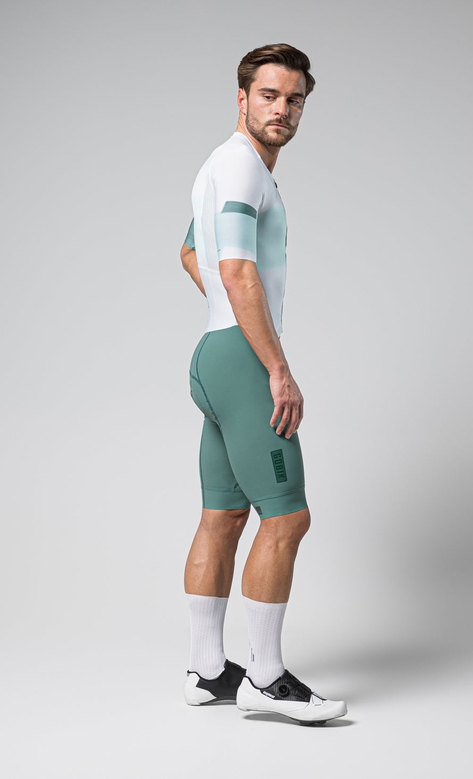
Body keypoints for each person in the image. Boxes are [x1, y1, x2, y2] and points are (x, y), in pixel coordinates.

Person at [179, 43, 347, 726]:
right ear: (242, 98)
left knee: (222, 516)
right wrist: (276, 368)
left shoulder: (221, 166)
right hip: (242, 360)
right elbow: (236, 270)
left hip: (216, 353)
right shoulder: (243, 166)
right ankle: (267, 679)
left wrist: (226, 319)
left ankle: (207, 671)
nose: (282, 109)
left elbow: (190, 251)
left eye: (294, 99)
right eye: (270, 95)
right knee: (286, 516)